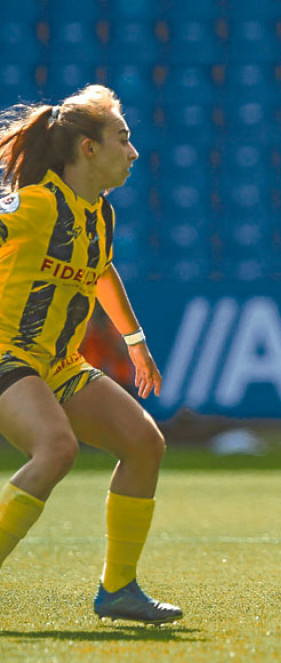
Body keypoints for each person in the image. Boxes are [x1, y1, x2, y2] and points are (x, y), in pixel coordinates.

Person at [0, 85, 182, 623]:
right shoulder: (33, 205)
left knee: (145, 444)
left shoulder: (98, 214)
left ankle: (118, 591)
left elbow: (99, 270)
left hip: (57, 364)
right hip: (8, 354)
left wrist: (134, 339)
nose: (134, 152)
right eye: (122, 139)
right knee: (56, 449)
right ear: (87, 148)